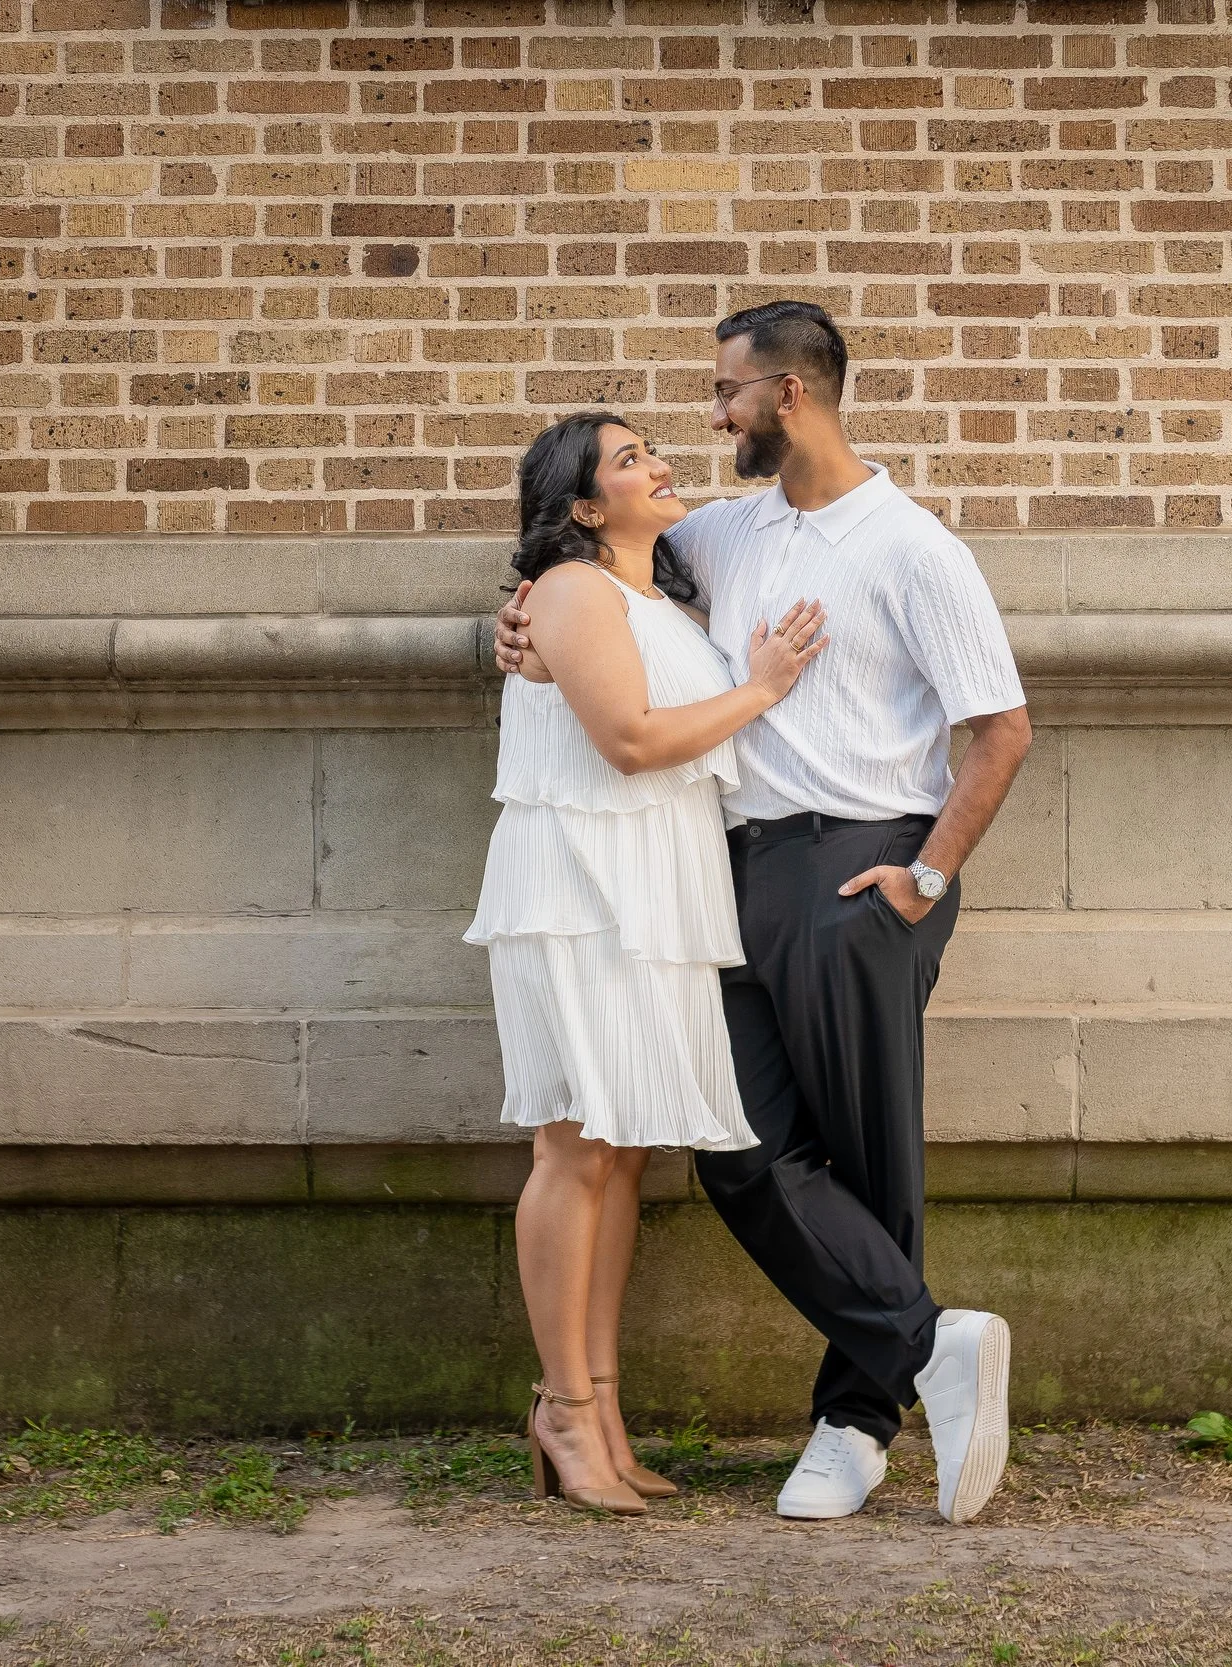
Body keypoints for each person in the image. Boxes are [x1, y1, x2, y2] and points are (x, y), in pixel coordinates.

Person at [495, 300, 1034, 1525]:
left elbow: (1000, 730)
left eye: (726, 391)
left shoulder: (911, 546)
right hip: (732, 868)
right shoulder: (723, 533)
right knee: (740, 1148)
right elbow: (595, 602)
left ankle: (854, 1422)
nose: (711, 414)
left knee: (867, 1143)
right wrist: (522, 622)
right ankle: (929, 1341)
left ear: (788, 395)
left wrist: (926, 875)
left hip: (865, 860)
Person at [466, 410, 829, 1515]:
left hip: (654, 881)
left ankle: (603, 1406)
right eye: (628, 460)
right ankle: (563, 1408)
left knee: (619, 1154)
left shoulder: (657, 594)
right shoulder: (573, 588)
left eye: (650, 450)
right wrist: (763, 687)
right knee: (575, 1146)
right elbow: (626, 740)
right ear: (582, 505)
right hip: (582, 882)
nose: (660, 465)